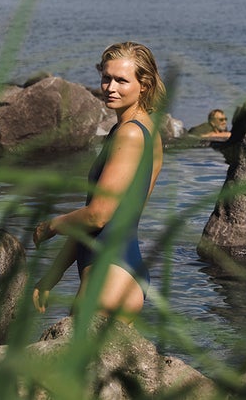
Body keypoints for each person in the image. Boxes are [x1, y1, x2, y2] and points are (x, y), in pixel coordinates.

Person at [32, 41, 165, 323]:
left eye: (122, 80)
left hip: (108, 279)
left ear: (144, 86)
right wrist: (54, 275)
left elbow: (98, 215)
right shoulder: (145, 132)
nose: (110, 87)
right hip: (122, 269)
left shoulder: (130, 135)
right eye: (106, 78)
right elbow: (98, 220)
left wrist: (52, 225)